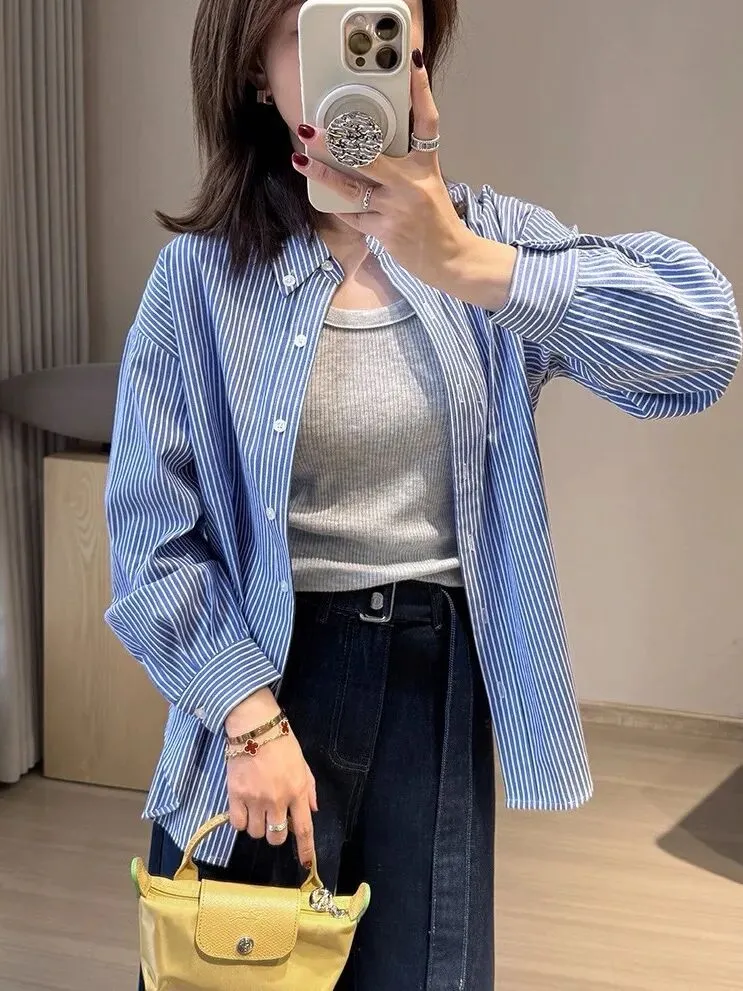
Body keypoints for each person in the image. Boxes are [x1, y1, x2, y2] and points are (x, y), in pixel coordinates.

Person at [104, 1, 741, 988]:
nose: (356, 60)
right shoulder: (198, 279)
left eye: (383, 25)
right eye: (314, 30)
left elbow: (701, 346)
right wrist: (246, 716)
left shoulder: (488, 243)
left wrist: (466, 262)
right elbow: (151, 532)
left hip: (432, 689)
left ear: (418, 57)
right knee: (237, 964)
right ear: (255, 70)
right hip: (265, 682)